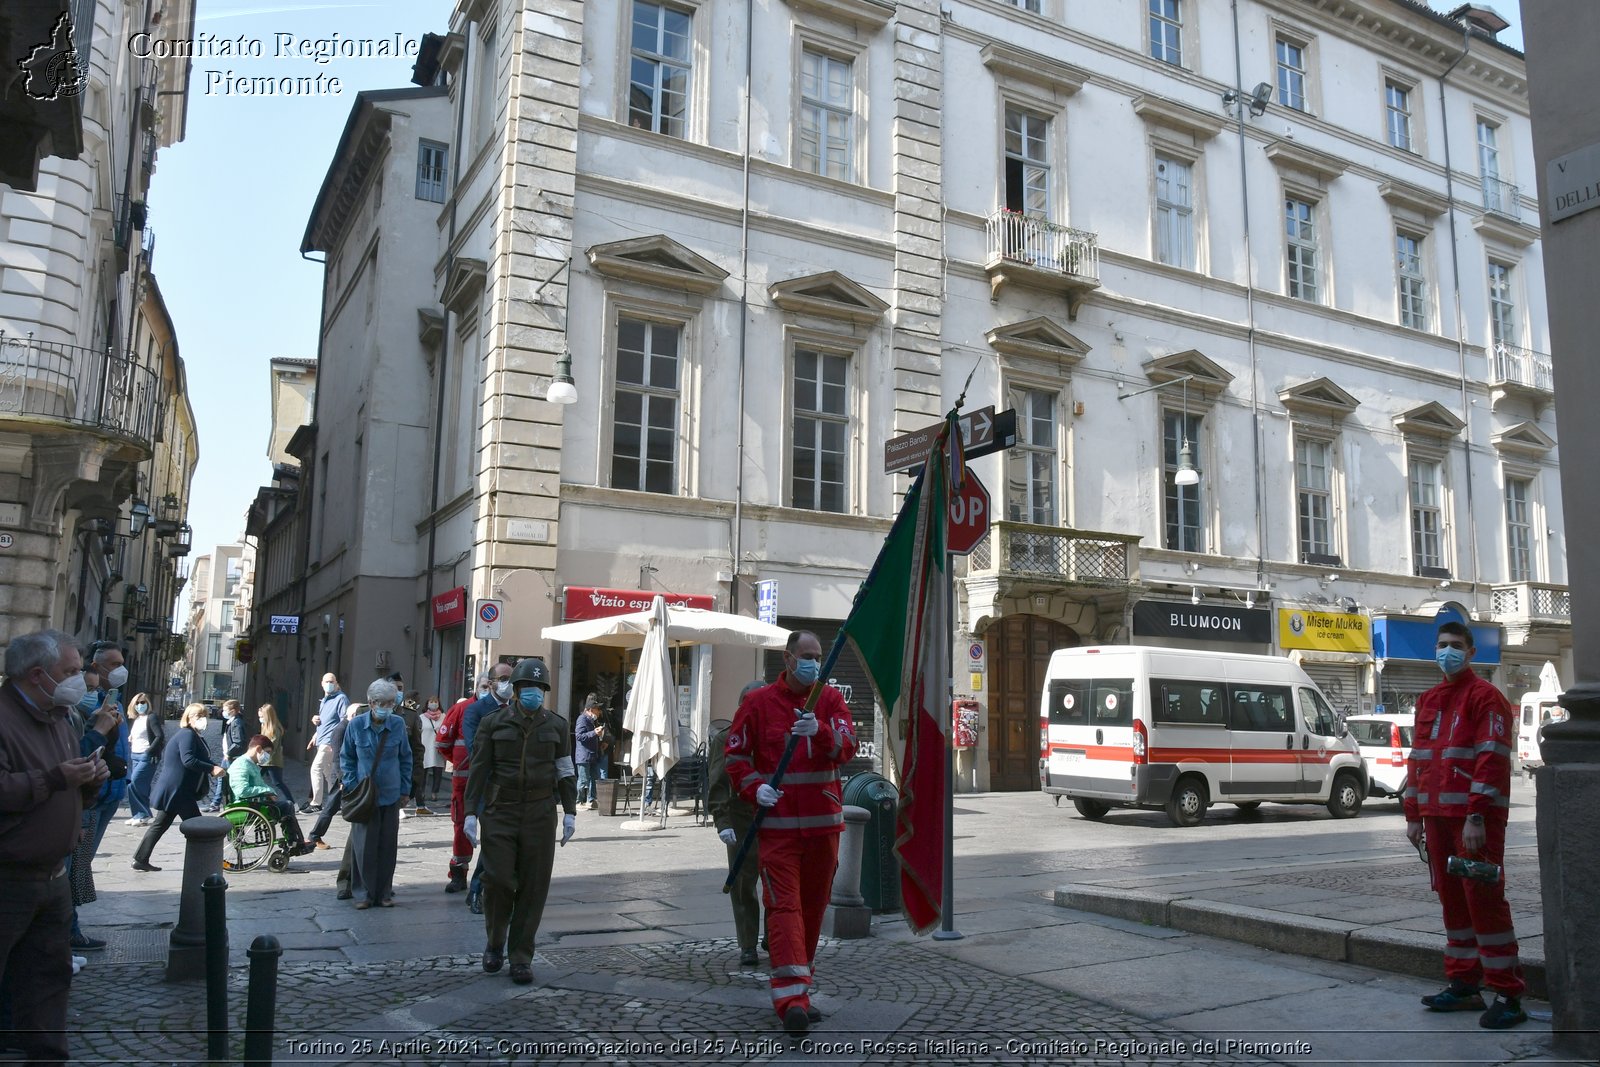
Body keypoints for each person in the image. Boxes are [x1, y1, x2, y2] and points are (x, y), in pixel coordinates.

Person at [725, 630, 856, 1035]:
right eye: (806, 655)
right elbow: (735, 755)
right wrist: (753, 786)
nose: (813, 662)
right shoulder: (758, 703)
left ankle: (801, 985)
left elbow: (848, 747)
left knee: (813, 911)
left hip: (823, 829)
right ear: (787, 658)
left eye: (817, 656)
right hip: (778, 831)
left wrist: (819, 730)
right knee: (784, 909)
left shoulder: (831, 701)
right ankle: (791, 999)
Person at [1405, 621, 1527, 1030]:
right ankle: (1464, 986)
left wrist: (1476, 815)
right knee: (1453, 901)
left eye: (1456, 646)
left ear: (1471, 652)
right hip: (1438, 821)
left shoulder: (1486, 698)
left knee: (1484, 901)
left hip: (1475, 823)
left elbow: (1490, 760)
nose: (1448, 652)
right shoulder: (1428, 699)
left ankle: (1508, 994)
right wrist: (1413, 817)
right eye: (1442, 645)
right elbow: (1417, 762)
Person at [0, 628, 110, 1063]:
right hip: (9, 877)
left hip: (53, 877)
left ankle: (46, 1055)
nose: (80, 679)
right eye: (71, 671)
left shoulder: (61, 717)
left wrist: (90, 784)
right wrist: (55, 779)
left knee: (50, 975)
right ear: (37, 675)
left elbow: (70, 787)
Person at [463, 657, 577, 984]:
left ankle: (521, 956)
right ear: (515, 690)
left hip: (541, 812)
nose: (533, 693)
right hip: (501, 810)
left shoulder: (556, 725)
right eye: (528, 687)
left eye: (539, 689)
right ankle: (496, 940)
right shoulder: (493, 722)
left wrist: (569, 811)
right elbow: (479, 768)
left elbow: (566, 770)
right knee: (497, 880)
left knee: (534, 885)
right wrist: (471, 813)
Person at [709, 680, 768, 967]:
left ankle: (775, 935)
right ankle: (748, 944)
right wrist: (722, 821)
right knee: (744, 884)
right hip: (742, 817)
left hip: (773, 815)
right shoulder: (726, 737)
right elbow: (718, 782)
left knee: (780, 880)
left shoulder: (774, 731)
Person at [339, 679, 412, 910]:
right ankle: (363, 893)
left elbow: (406, 758)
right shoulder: (356, 725)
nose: (386, 707)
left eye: (390, 703)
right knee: (363, 847)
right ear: (371, 702)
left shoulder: (398, 724)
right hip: (364, 795)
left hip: (390, 793)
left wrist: (405, 789)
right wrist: (351, 784)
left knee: (387, 846)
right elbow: (347, 757)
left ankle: (384, 892)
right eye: (382, 703)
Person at [131, 703, 226, 872]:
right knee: (197, 826)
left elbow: (200, 757)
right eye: (198, 716)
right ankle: (203, 862)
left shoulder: (195, 735)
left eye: (204, 715)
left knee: (160, 824)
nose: (202, 719)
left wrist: (215, 766)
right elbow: (188, 759)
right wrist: (211, 769)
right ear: (189, 718)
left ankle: (140, 858)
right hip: (178, 789)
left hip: (180, 789)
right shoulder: (187, 735)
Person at [458, 662, 514, 912]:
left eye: (510, 679)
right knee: (492, 840)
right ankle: (478, 890)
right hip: (487, 786)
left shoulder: (517, 709)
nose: (508, 684)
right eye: (503, 678)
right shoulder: (476, 711)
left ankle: (488, 889)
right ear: (491, 682)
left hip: (513, 787)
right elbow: (475, 750)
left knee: (505, 841)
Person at [437, 675, 489, 895]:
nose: (487, 690)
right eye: (484, 686)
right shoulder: (461, 709)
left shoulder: (503, 710)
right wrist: (459, 762)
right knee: (461, 827)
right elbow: (443, 743)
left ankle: (489, 876)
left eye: (490, 686)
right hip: (464, 782)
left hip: (490, 782)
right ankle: (458, 873)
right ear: (476, 687)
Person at [227, 736, 314, 855]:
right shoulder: (241, 765)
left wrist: (268, 792)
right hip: (246, 807)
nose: (268, 756)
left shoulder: (251, 763)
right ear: (258, 748)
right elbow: (241, 791)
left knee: (286, 806)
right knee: (287, 806)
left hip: (253, 803)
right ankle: (295, 842)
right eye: (267, 752)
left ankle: (295, 841)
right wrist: (266, 790)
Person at [304, 673, 348, 813]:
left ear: (336, 683)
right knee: (328, 773)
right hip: (322, 740)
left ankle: (316, 803)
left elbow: (344, 721)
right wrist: (315, 732)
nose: (329, 683)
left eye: (332, 681)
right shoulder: (325, 700)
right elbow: (326, 722)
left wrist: (337, 741)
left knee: (316, 768)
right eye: (327, 681)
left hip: (329, 742)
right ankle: (334, 803)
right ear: (322, 683)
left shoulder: (341, 698)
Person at [388, 674, 428, 817]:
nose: (398, 692)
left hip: (400, 773)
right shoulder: (373, 710)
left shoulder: (410, 714)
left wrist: (416, 777)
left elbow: (417, 748)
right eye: (395, 688)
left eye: (400, 688)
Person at [125, 692, 164, 827]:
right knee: (138, 786)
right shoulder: (136, 719)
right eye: (137, 703)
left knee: (134, 782)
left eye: (143, 702)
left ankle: (143, 813)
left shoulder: (151, 717)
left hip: (147, 756)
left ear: (148, 703)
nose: (140, 705)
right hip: (134, 755)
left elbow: (159, 736)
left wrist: (149, 750)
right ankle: (137, 814)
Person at [256, 703, 294, 808]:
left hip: (272, 761)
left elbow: (272, 746)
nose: (260, 719)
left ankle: (291, 802)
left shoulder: (275, 729)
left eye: (261, 717)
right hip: (265, 760)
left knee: (277, 782)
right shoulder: (265, 726)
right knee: (256, 777)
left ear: (267, 716)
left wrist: (262, 752)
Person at [573, 695, 605, 810]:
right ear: (591, 709)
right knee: (583, 779)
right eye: (597, 709)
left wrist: (599, 736)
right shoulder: (582, 719)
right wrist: (594, 733)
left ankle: (591, 800)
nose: (599, 712)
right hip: (584, 755)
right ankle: (579, 801)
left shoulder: (591, 720)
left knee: (593, 778)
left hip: (592, 755)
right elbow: (579, 736)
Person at [420, 696, 445, 807]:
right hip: (425, 747)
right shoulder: (422, 717)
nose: (433, 703)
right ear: (427, 704)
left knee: (437, 771)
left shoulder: (443, 717)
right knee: (423, 772)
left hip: (437, 748)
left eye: (435, 702)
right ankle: (422, 792)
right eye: (431, 702)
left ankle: (435, 793)